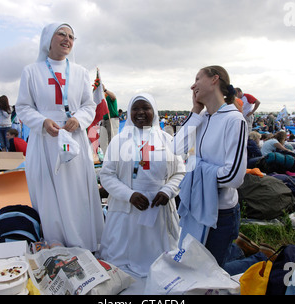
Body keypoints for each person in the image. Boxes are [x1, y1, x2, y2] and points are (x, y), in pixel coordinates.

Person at [15, 22, 104, 251]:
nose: (68, 39)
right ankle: (57, 245)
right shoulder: (31, 71)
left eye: (72, 37)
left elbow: (89, 105)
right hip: (45, 140)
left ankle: (84, 242)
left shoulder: (80, 72)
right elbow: (23, 107)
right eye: (62, 34)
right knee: (49, 194)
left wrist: (80, 120)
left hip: (74, 138)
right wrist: (43, 122)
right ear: (48, 39)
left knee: (77, 192)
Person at [172, 65, 265, 274]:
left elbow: (234, 176)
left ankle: (261, 259)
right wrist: (195, 112)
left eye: (197, 79)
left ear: (215, 79)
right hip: (197, 206)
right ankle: (236, 249)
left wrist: (196, 172)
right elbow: (175, 149)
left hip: (220, 212)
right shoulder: (202, 119)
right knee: (191, 264)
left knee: (211, 273)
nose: (192, 85)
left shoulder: (234, 120)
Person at [98, 93, 186, 277]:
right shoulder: (119, 141)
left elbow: (180, 171)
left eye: (146, 108)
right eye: (135, 108)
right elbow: (107, 175)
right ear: (129, 112)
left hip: (158, 208)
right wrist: (129, 195)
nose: (140, 112)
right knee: (122, 263)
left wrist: (168, 191)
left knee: (161, 263)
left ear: (154, 111)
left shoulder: (168, 140)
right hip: (126, 209)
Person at [99, 85, 119, 154]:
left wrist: (105, 90)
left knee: (112, 140)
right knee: (102, 141)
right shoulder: (101, 99)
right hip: (104, 120)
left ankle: (114, 158)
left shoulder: (108, 96)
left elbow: (113, 97)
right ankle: (106, 158)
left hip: (112, 120)